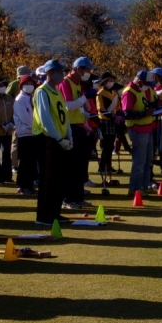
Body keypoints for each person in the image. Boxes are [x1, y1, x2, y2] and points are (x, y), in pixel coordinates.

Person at [33, 59, 73, 225]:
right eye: (58, 72)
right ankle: (43, 215)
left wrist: (69, 137)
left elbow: (64, 116)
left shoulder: (57, 92)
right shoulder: (42, 91)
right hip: (46, 139)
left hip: (60, 140)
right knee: (47, 179)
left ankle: (55, 212)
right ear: (49, 73)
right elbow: (45, 118)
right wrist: (58, 138)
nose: (61, 75)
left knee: (59, 178)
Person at [59, 57, 95, 210]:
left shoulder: (77, 83)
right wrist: (85, 97)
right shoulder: (66, 82)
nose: (88, 73)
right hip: (70, 128)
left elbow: (78, 107)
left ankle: (78, 198)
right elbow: (68, 106)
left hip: (79, 127)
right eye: (87, 70)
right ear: (79, 69)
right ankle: (68, 199)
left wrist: (86, 121)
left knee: (80, 166)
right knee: (72, 166)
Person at [121, 69, 158, 195]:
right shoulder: (129, 92)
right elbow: (127, 113)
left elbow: (144, 105)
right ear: (140, 82)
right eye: (147, 84)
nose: (148, 87)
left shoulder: (140, 90)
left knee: (148, 160)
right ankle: (134, 188)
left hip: (147, 127)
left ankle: (144, 185)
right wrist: (144, 114)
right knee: (139, 162)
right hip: (137, 129)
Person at [13, 74, 39, 196]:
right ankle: (23, 185)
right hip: (25, 133)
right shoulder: (20, 100)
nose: (30, 86)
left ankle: (29, 184)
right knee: (25, 162)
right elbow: (25, 118)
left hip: (33, 133)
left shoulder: (32, 98)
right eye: (27, 84)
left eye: (31, 84)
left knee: (31, 162)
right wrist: (36, 125)